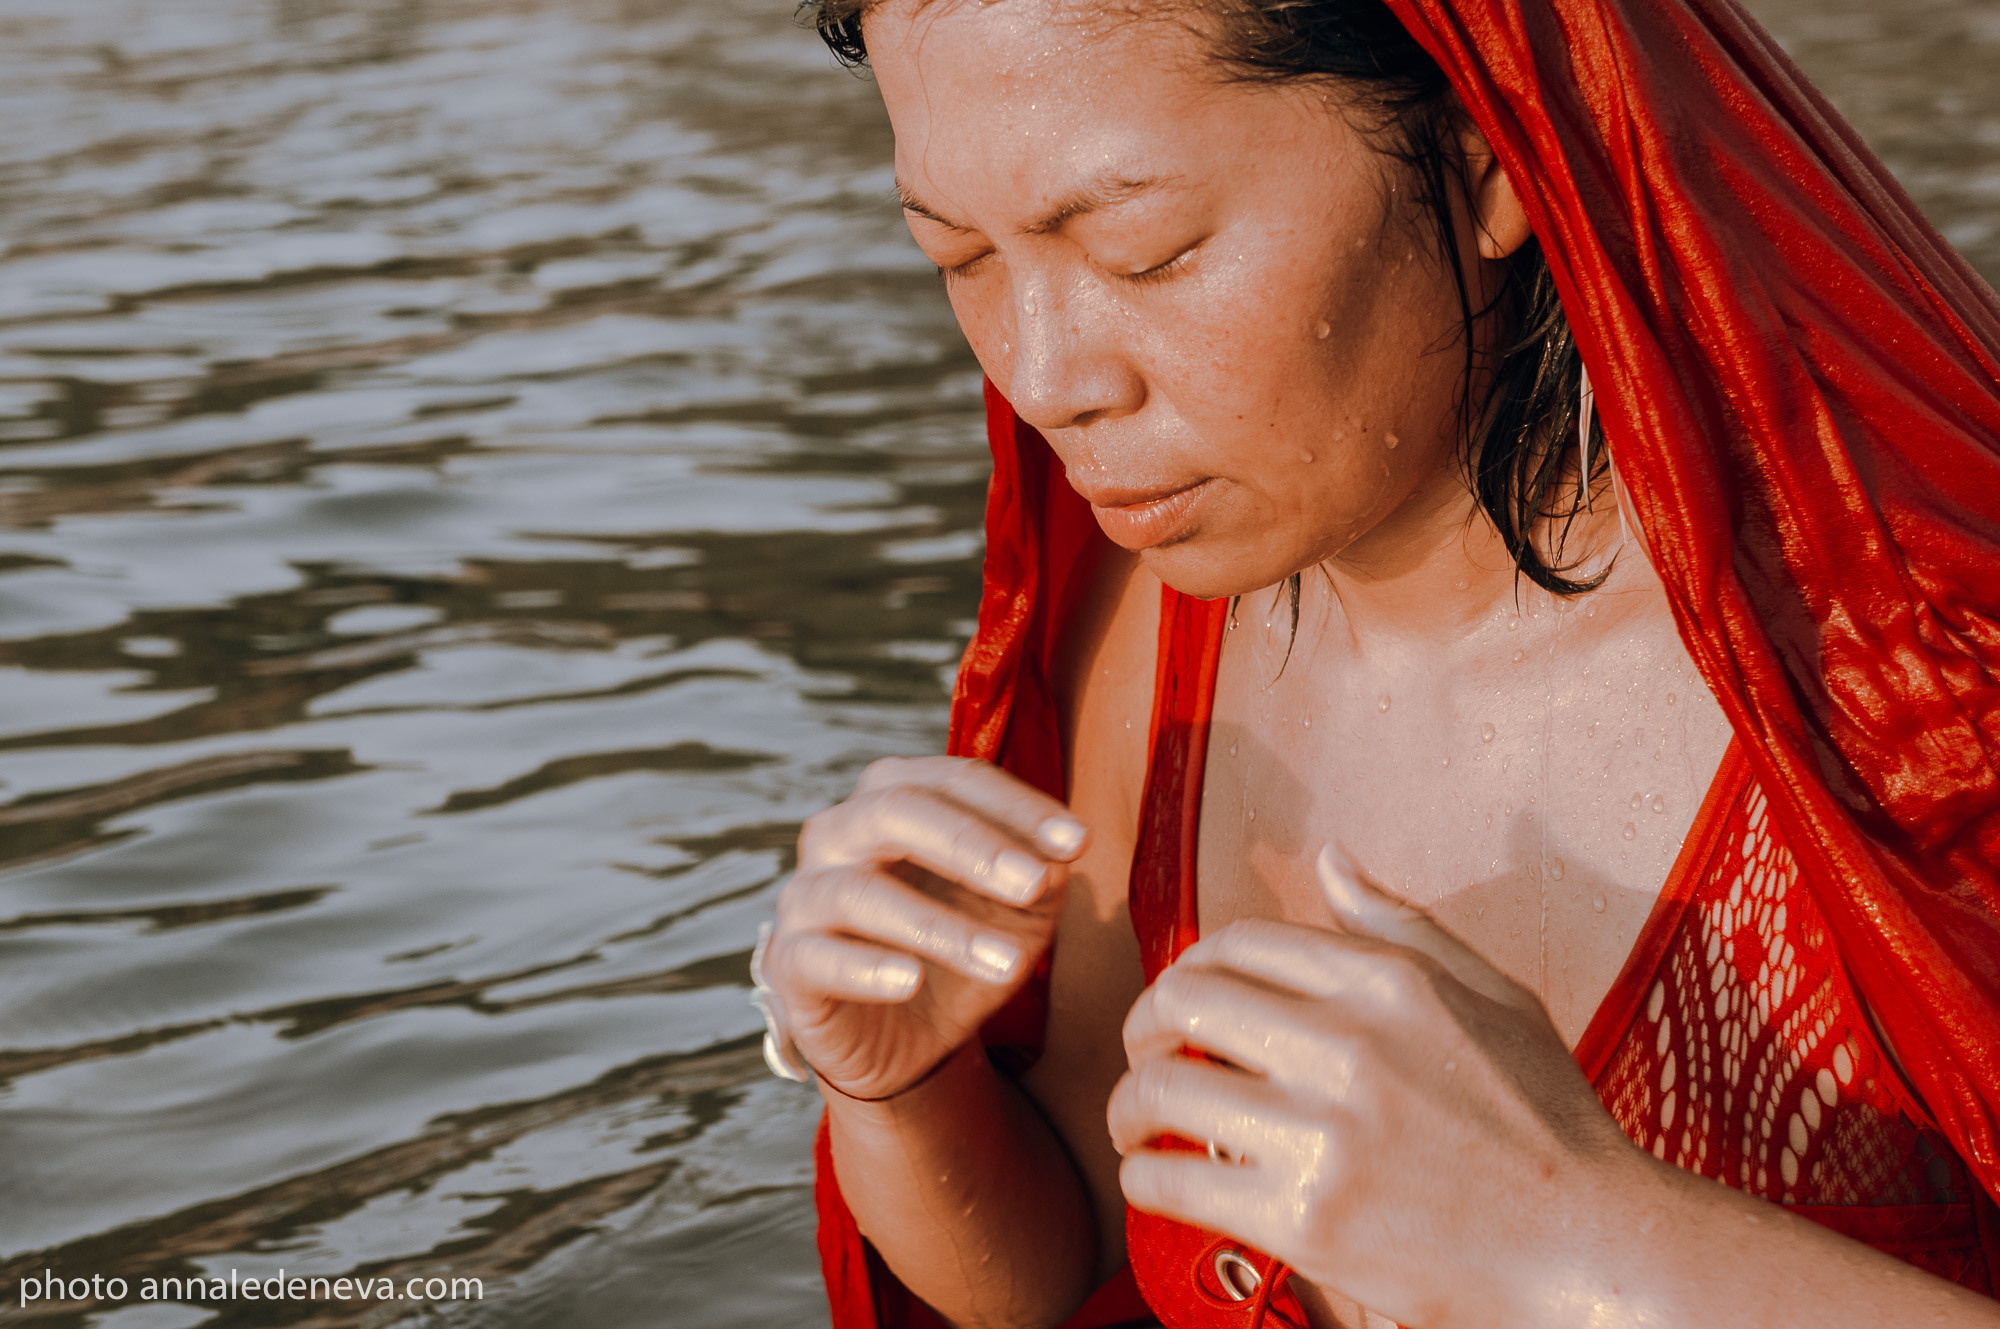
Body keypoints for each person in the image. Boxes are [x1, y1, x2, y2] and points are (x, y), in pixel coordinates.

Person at [750, 0, 2000, 1325]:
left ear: (1486, 161)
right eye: (959, 258)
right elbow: (1081, 1263)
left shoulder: (1925, 693)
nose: (1046, 377)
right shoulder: (1153, 626)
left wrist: (1585, 1241)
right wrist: (899, 1087)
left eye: (1144, 251)